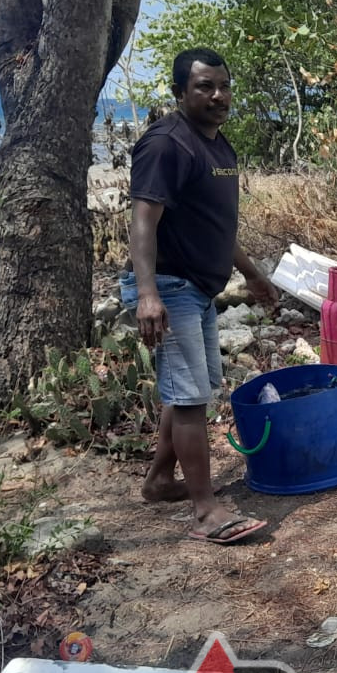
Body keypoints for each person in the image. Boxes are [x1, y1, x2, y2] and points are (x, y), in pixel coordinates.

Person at [120, 47, 281, 546]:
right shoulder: (167, 144)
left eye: (223, 86)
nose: (217, 96)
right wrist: (147, 294)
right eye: (204, 87)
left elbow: (218, 228)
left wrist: (253, 275)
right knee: (189, 398)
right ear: (179, 93)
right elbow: (143, 220)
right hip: (170, 287)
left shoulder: (218, 147)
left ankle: (160, 481)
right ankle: (206, 511)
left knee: (191, 389)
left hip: (200, 288)